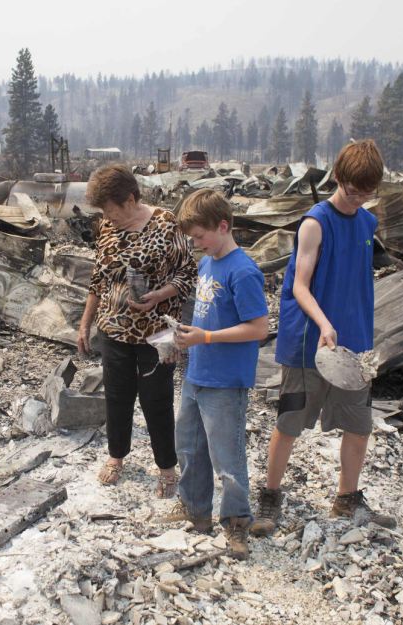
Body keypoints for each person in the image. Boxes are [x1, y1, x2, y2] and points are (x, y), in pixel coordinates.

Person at [251, 140, 396, 536]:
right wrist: (324, 324)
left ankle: (346, 498)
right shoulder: (315, 222)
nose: (358, 198)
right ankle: (270, 494)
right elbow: (299, 285)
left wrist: (356, 331)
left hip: (353, 345)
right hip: (307, 342)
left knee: (359, 424)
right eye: (353, 189)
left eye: (367, 192)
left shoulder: (367, 223)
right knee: (291, 420)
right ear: (338, 177)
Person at [78, 164, 197, 498]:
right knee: (116, 398)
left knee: (156, 400)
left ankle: (167, 468)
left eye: (110, 209)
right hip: (113, 328)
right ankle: (117, 456)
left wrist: (158, 296)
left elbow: (187, 274)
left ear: (130, 199)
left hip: (156, 334)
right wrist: (85, 323)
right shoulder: (106, 228)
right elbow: (97, 279)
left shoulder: (166, 224)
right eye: (102, 211)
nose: (106, 216)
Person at [163, 189, 269, 560]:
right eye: (192, 238)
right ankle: (196, 510)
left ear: (223, 226)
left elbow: (259, 328)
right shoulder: (207, 264)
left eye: (199, 237)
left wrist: (205, 336)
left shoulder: (244, 271)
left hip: (226, 381)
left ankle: (237, 521)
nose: (196, 244)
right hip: (198, 373)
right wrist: (185, 336)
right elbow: (210, 315)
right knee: (189, 446)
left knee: (228, 458)